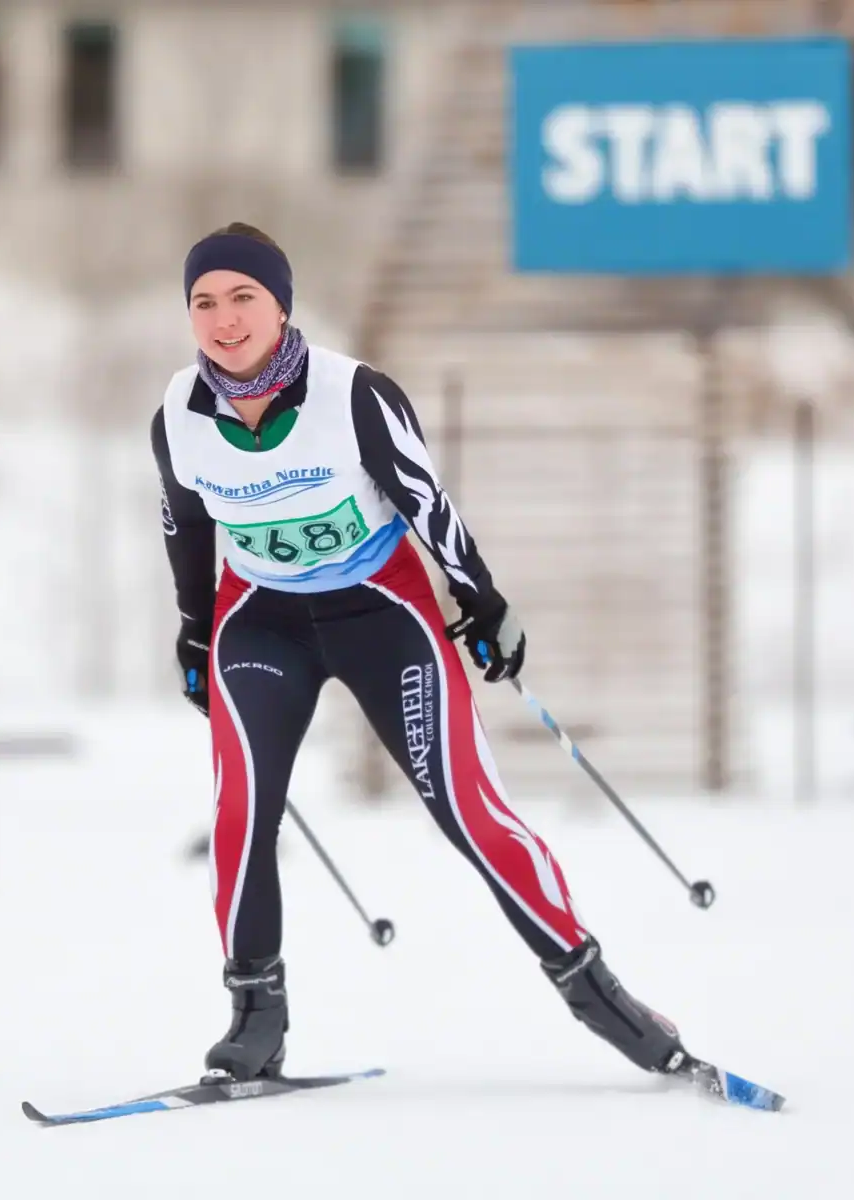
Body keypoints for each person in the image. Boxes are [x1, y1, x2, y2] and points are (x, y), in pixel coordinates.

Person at [151, 222, 693, 1084]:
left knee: (469, 813)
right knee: (241, 811)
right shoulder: (179, 415)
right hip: (260, 620)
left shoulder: (353, 394)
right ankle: (256, 1014)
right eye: (203, 303)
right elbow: (187, 527)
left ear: (281, 303)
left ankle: (599, 996)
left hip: (381, 613)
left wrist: (481, 598)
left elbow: (427, 503)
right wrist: (193, 627)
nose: (223, 320)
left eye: (242, 297)